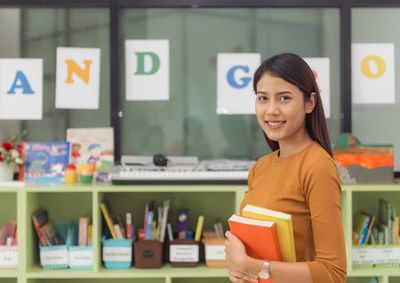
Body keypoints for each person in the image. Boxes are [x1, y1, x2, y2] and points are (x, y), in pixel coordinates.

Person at [224, 53, 346, 283]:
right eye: (263, 98)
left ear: (309, 103)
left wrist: (250, 266)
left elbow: (333, 273)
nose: (271, 110)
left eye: (284, 98)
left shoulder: (317, 166)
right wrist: (238, 271)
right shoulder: (260, 167)